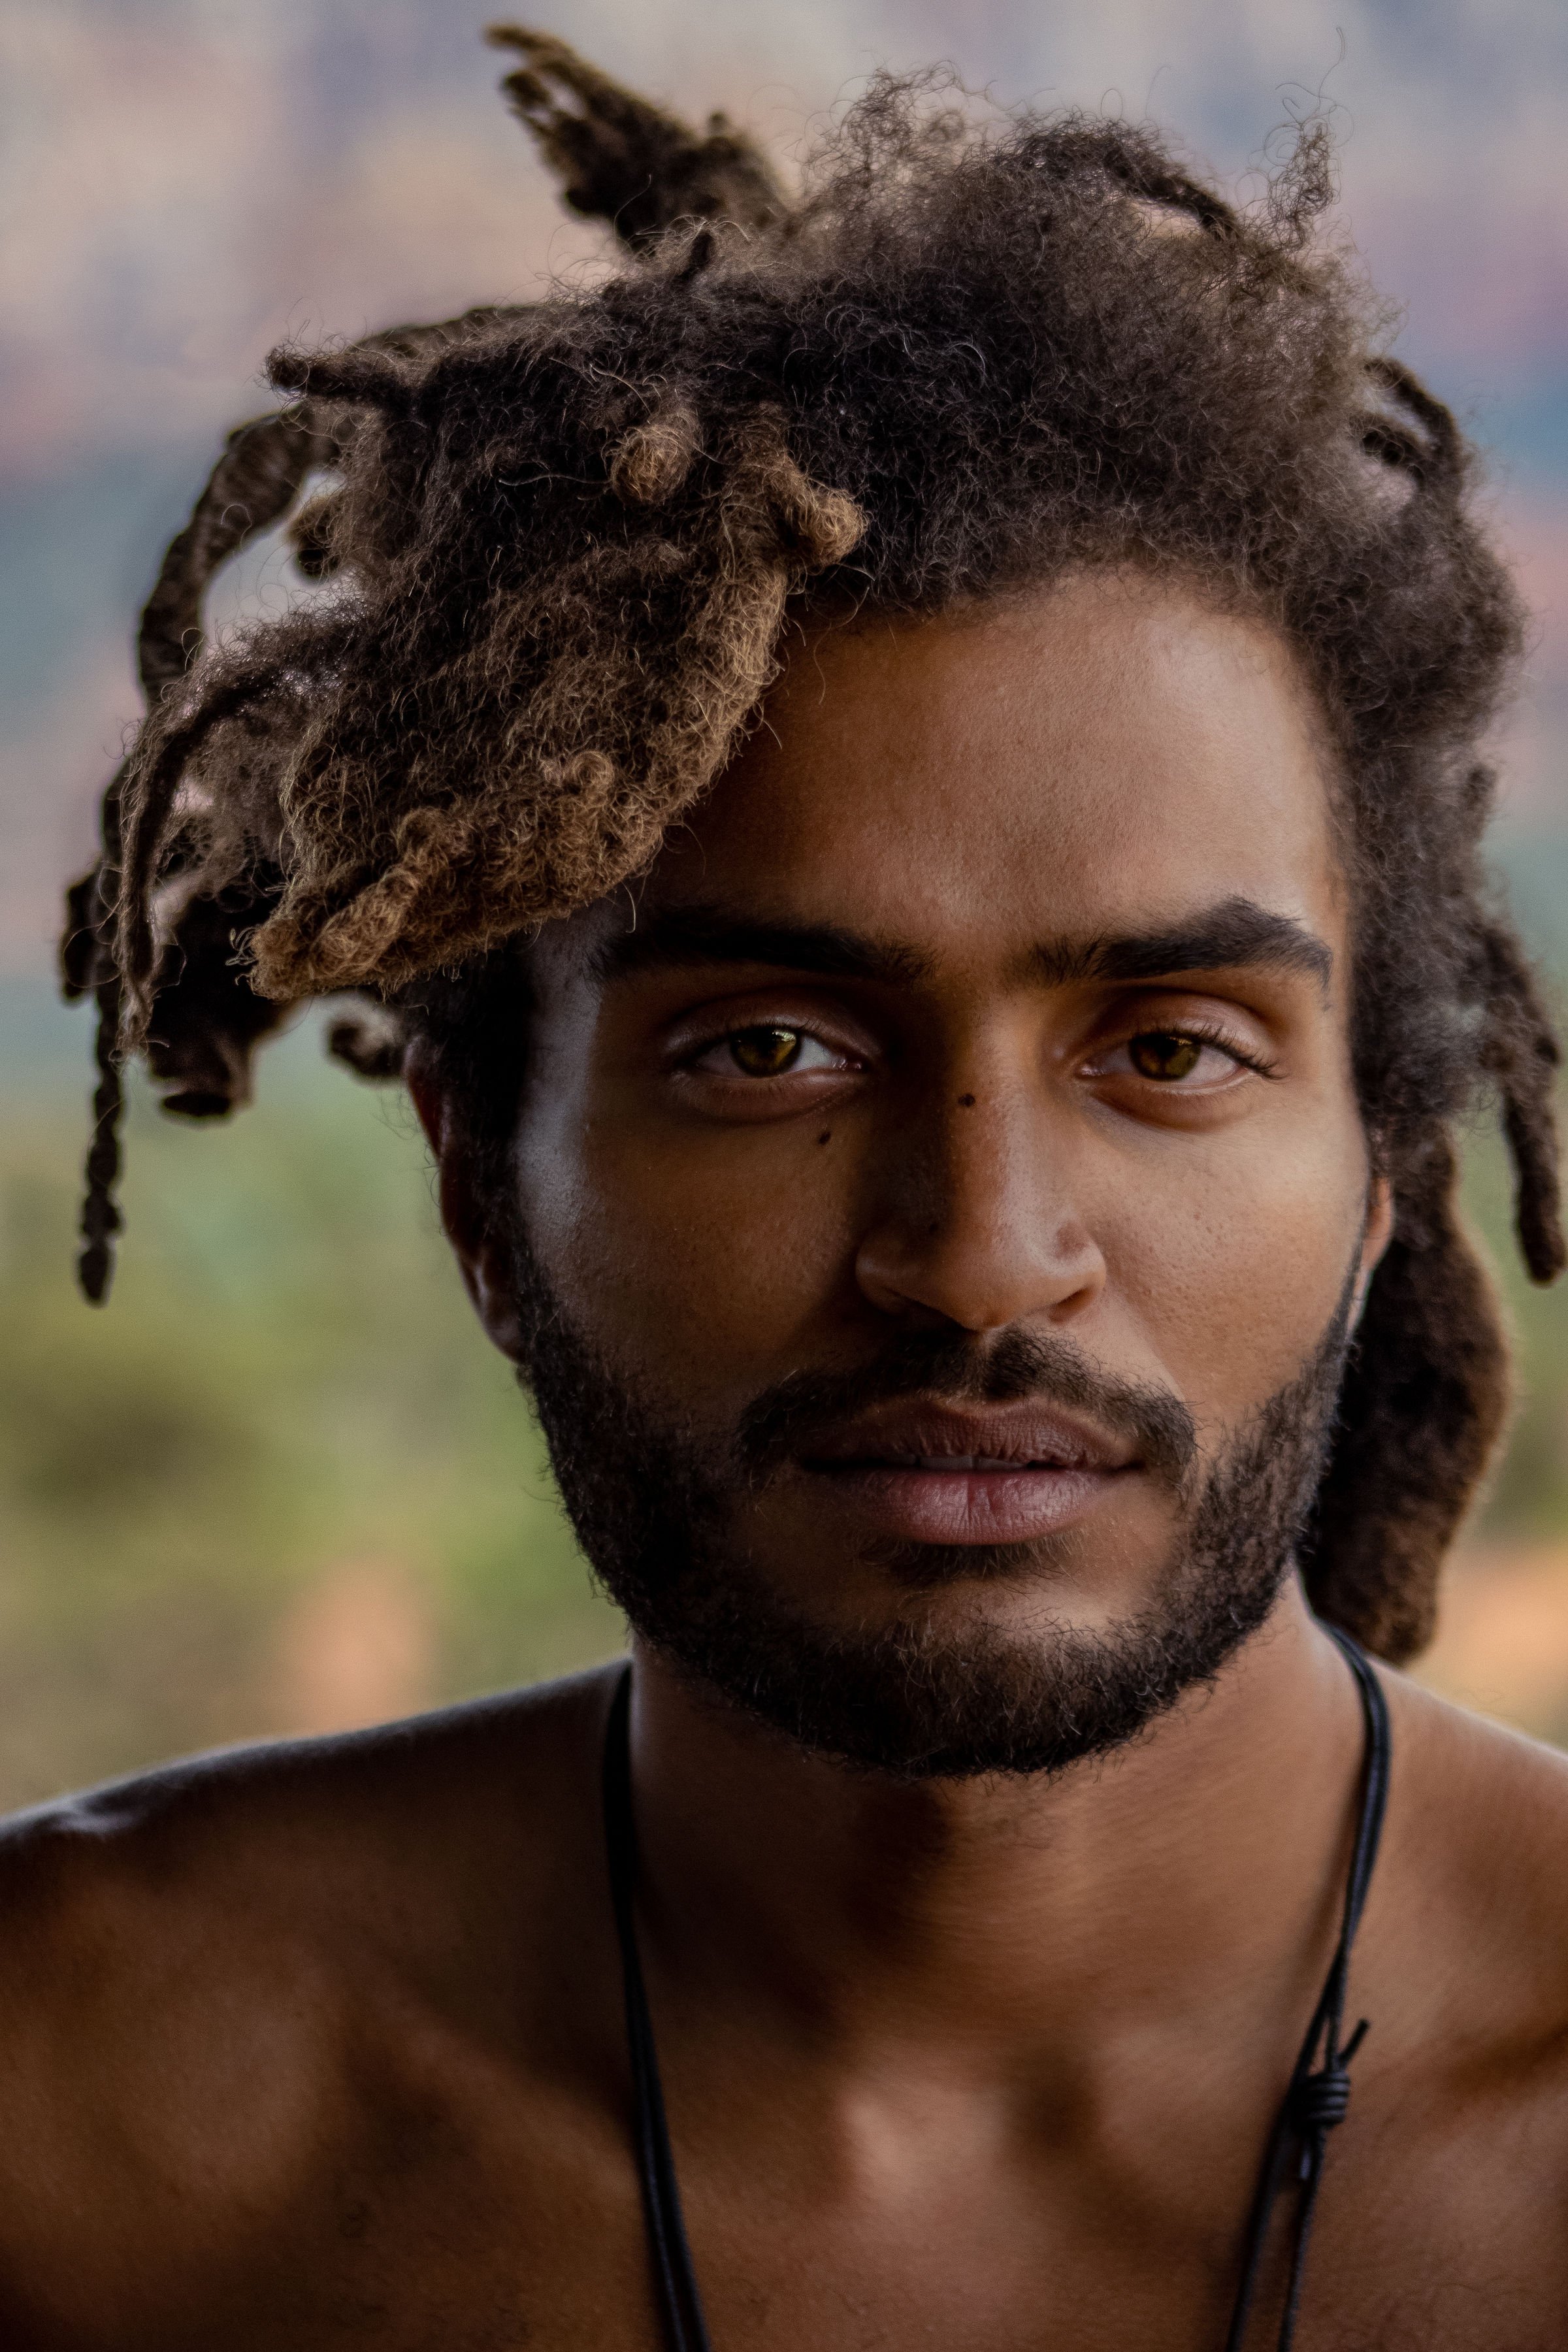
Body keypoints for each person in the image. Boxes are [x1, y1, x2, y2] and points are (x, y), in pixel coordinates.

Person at [10, 27, 1568, 2349]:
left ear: (1372, 1169)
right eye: (771, 1052)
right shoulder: (78, 2117)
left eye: (1169, 1050)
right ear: (479, 1183)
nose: (981, 1257)